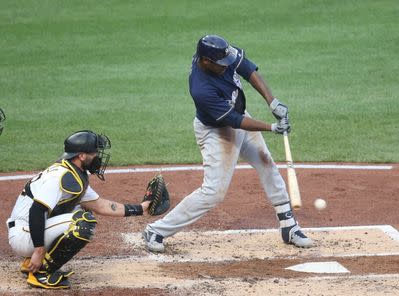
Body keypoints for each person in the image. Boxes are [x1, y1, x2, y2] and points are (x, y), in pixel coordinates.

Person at [143, 34, 314, 253]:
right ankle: (156, 230)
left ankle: (289, 227)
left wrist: (272, 102)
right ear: (205, 61)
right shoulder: (201, 89)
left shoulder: (221, 54)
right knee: (213, 192)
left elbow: (249, 70)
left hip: (239, 117)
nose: (226, 66)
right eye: (220, 64)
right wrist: (271, 127)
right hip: (218, 132)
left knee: (266, 163)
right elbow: (234, 121)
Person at [6, 130, 152, 289]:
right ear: (81, 156)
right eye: (95, 152)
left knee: (83, 212)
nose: (98, 156)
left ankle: (31, 262)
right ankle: (41, 273)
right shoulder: (61, 176)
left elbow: (101, 206)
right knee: (81, 222)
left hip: (30, 232)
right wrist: (39, 251)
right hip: (24, 234)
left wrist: (141, 209)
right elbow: (37, 211)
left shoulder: (74, 174)